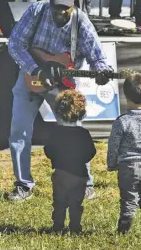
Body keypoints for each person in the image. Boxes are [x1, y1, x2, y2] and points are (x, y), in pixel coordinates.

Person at [7, 0, 112, 202]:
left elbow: (97, 56)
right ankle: (23, 184)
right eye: (57, 6)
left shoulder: (81, 21)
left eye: (66, 7)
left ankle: (85, 182)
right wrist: (35, 69)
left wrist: (102, 71)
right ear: (50, 2)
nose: (60, 11)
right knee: (19, 131)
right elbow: (15, 43)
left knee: (74, 132)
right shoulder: (36, 11)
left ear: (73, 4)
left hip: (61, 86)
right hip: (30, 77)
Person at [106, 72, 141, 235]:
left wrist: (111, 164)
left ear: (126, 97)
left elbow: (113, 146)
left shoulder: (122, 121)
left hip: (128, 167)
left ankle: (123, 233)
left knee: (129, 201)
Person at [44, 90, 96, 233]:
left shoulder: (56, 132)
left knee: (59, 203)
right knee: (76, 203)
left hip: (60, 173)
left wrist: (56, 159)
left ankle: (58, 226)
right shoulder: (83, 133)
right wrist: (81, 159)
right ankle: (75, 227)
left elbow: (48, 150)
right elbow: (91, 152)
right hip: (80, 175)